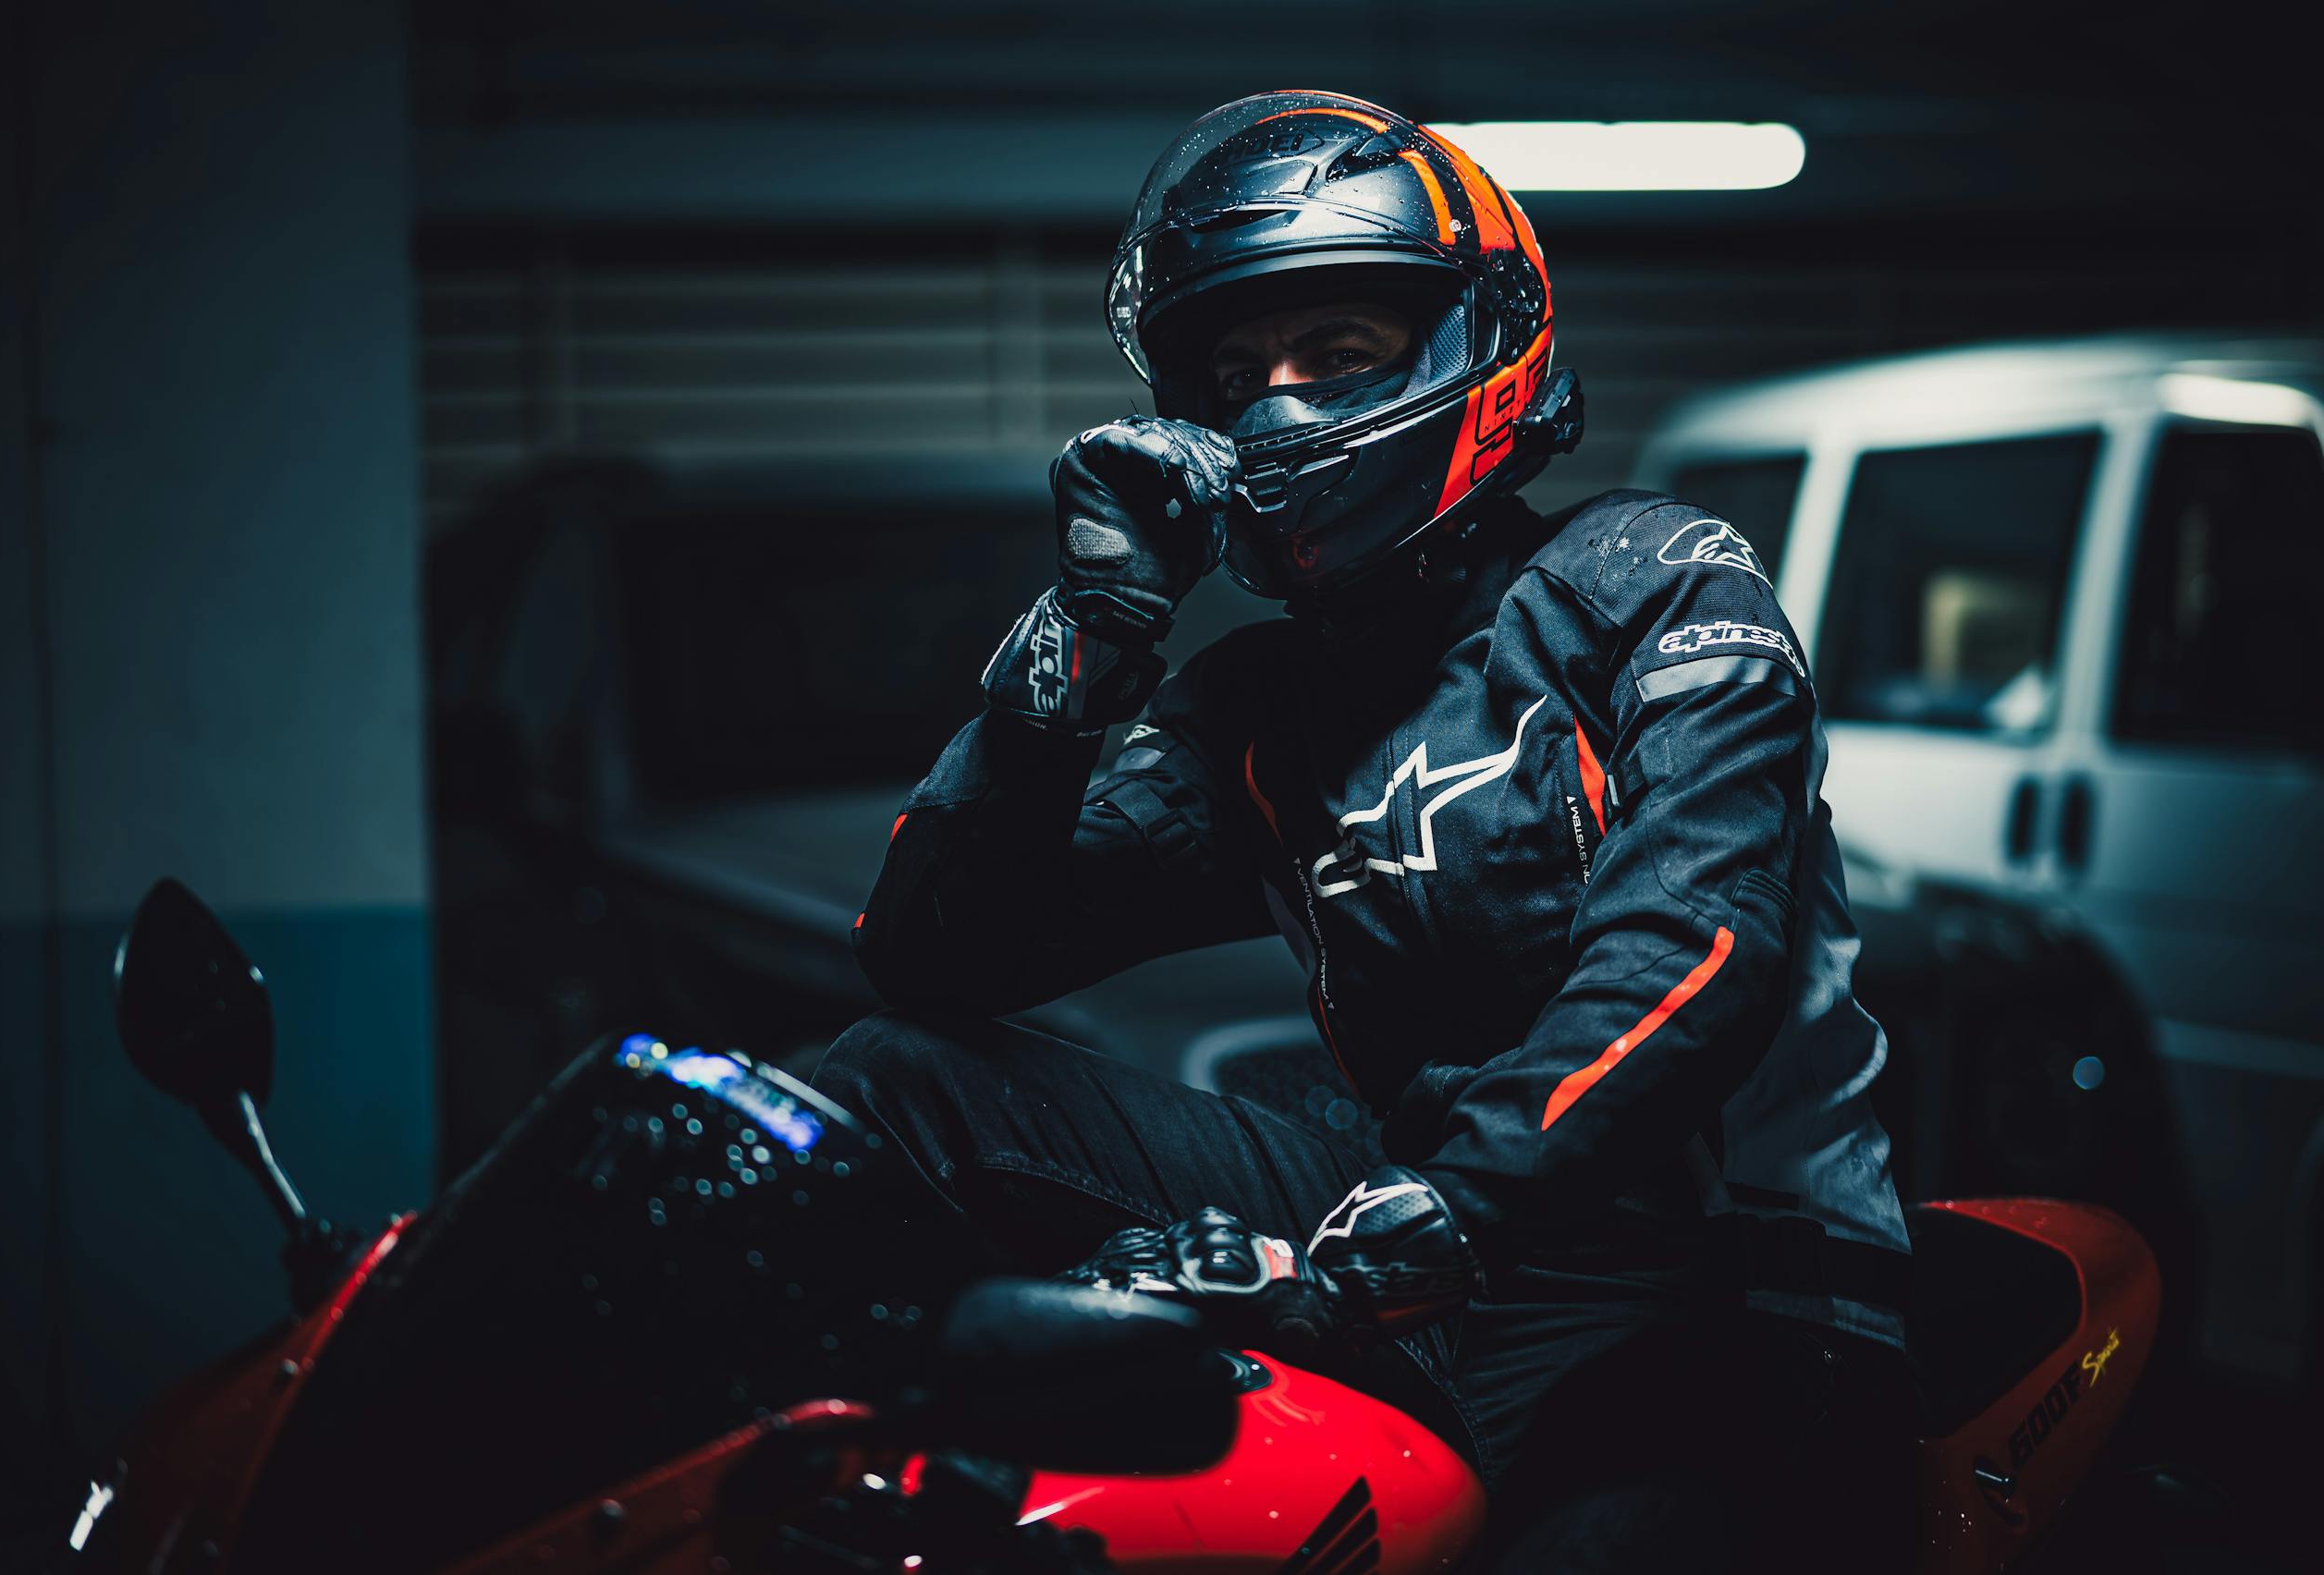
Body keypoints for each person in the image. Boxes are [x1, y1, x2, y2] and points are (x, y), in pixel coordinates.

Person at [817, 89, 1916, 1569]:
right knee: (899, 1080)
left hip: (1719, 1277)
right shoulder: (1259, 707)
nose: (1277, 408)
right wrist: (1086, 640)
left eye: (1337, 354)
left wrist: (1454, 1207)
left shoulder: (1652, 581)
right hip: (1411, 1246)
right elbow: (937, 964)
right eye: (1236, 375)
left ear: (1476, 343)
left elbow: (1693, 949)